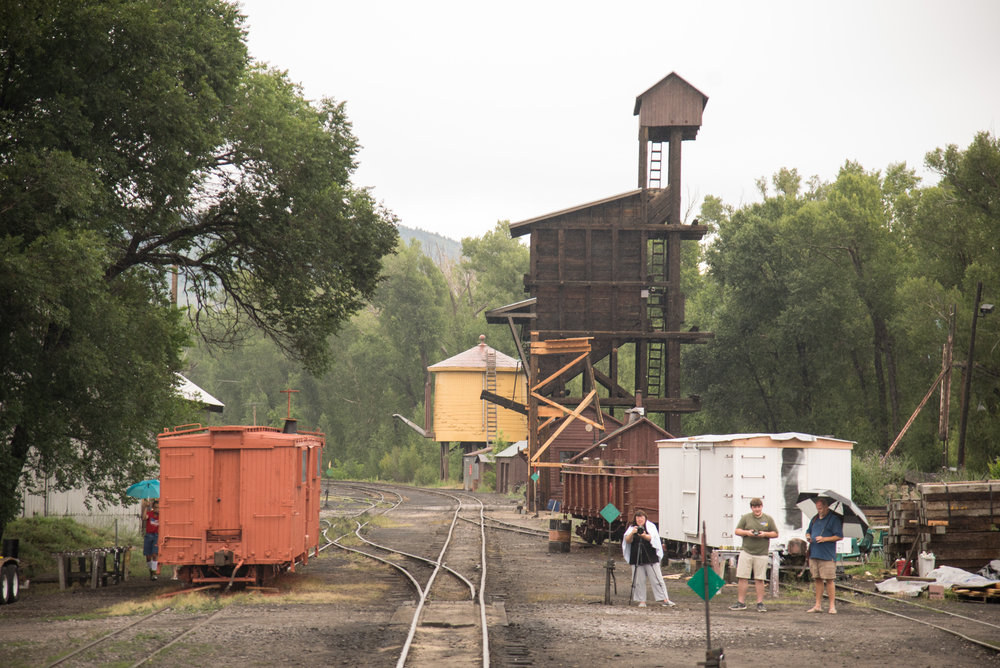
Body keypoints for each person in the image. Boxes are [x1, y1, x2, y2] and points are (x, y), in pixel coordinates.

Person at [729, 497, 778, 612]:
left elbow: (775, 533)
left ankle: (760, 603)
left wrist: (764, 534)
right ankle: (741, 602)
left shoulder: (768, 519)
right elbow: (737, 531)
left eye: (758, 506)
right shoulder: (746, 518)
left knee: (760, 579)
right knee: (742, 577)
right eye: (754, 507)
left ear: (762, 507)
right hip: (746, 551)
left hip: (762, 553)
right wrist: (747, 533)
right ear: (751, 508)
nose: (757, 509)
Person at [622, 509, 675, 608]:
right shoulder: (632, 528)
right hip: (636, 557)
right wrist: (632, 533)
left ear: (645, 518)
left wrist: (643, 535)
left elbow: (653, 538)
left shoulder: (651, 527)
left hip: (650, 556)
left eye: (641, 517)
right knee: (638, 580)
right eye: (638, 517)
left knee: (657, 578)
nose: (639, 519)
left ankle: (665, 598)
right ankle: (641, 600)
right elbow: (627, 541)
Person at [805, 497, 843, 614]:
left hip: (827, 554)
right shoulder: (815, 518)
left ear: (826, 507)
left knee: (830, 580)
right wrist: (808, 536)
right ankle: (818, 605)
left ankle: (832, 606)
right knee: (817, 579)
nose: (819, 510)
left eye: (821, 508)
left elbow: (839, 536)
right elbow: (808, 530)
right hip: (814, 553)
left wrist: (825, 539)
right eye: (817, 508)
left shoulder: (834, 519)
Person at [144, 499, 160, 581]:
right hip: (148, 535)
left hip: (157, 535)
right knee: (148, 556)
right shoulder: (149, 514)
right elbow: (144, 517)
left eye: (159, 508)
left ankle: (154, 573)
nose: (157, 509)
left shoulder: (161, 516)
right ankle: (151, 570)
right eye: (156, 507)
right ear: (153, 508)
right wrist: (146, 507)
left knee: (155, 554)